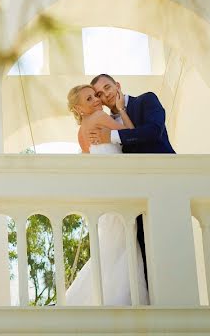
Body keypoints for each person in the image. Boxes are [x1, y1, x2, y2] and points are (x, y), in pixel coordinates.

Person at [63, 85, 149, 306]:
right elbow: (130, 133)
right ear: (79, 108)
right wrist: (121, 109)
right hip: (119, 190)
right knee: (123, 244)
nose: (96, 100)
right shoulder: (100, 116)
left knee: (112, 247)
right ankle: (122, 299)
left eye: (95, 95)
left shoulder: (81, 132)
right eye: (89, 98)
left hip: (103, 193)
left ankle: (101, 298)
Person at [89, 73, 176, 289]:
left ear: (118, 85)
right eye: (99, 94)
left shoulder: (147, 99)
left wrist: (113, 137)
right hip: (136, 198)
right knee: (144, 256)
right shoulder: (107, 122)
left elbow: (154, 132)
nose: (105, 95)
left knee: (171, 248)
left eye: (107, 87)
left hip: (165, 183)